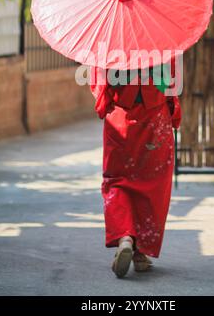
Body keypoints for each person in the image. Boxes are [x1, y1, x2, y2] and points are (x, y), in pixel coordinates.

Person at [90, 62, 181, 278]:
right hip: (155, 117)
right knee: (153, 185)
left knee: (117, 180)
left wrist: (107, 102)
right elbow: (171, 82)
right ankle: (140, 253)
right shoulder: (163, 38)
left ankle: (125, 237)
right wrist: (173, 112)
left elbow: (100, 82)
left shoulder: (110, 41)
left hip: (121, 117)